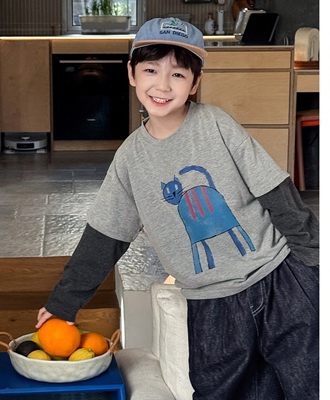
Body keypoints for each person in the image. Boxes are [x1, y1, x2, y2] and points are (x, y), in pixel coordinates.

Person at [36, 17, 319, 400]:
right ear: (132, 74)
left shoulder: (217, 124)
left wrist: (313, 261)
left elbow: (276, 191)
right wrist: (63, 303)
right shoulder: (130, 160)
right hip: (211, 305)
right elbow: (104, 238)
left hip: (280, 279)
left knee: (311, 383)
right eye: (151, 70)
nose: (163, 85)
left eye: (178, 74)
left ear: (195, 82)